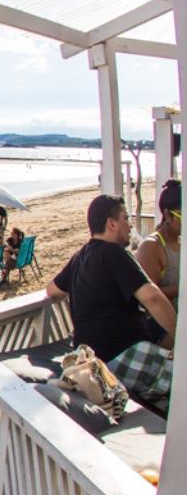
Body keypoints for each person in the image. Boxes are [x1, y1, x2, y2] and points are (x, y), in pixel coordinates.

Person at [46, 195, 176, 417]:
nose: (130, 224)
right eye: (126, 218)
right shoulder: (114, 252)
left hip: (95, 363)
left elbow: (52, 290)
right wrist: (181, 335)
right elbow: (152, 298)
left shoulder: (80, 257)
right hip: (120, 356)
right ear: (111, 223)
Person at [136, 179, 181, 311]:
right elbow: (147, 298)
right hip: (166, 328)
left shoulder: (180, 240)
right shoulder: (151, 247)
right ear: (168, 215)